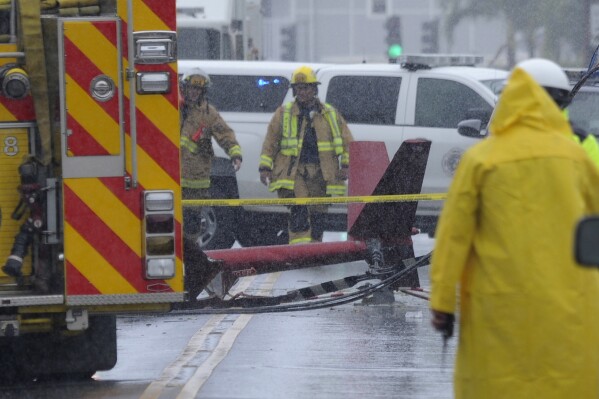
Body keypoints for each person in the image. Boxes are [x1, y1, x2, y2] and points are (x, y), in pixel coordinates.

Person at [429, 58, 599, 399]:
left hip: (497, 310)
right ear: (561, 103)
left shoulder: (481, 160)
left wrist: (443, 304)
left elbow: (452, 239)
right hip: (568, 306)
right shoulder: (578, 158)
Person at [259, 66, 353, 244]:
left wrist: (346, 166)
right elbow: (270, 141)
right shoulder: (283, 113)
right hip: (294, 172)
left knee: (318, 215)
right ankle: (298, 254)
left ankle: (314, 251)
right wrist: (265, 167)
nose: (301, 92)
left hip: (322, 172)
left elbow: (348, 142)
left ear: (314, 89)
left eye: (305, 88)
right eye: (298, 88)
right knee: (300, 210)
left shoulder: (330, 114)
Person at [180, 68, 242, 242]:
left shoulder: (209, 114)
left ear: (203, 91)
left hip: (195, 178)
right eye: (191, 88)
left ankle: (190, 254)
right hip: (170, 176)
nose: (194, 92)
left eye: (197, 89)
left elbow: (225, 134)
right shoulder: (172, 108)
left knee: (191, 221)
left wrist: (235, 154)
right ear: (184, 88)